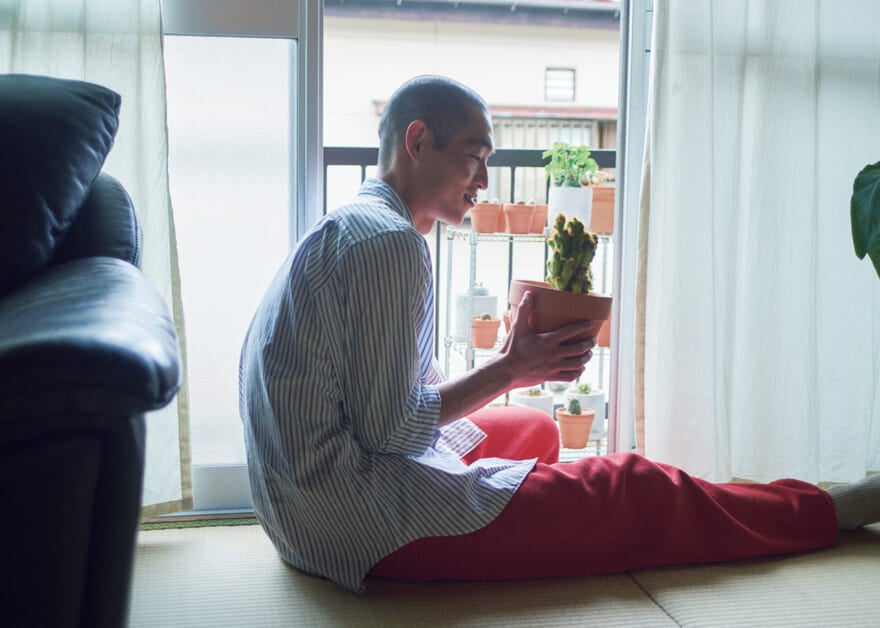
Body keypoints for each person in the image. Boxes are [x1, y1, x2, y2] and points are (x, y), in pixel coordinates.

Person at [239, 75, 880, 593]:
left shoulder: (355, 223)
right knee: (636, 489)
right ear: (417, 140)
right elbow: (388, 430)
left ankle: (538, 515)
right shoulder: (389, 246)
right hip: (353, 518)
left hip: (299, 506)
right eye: (474, 157)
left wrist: (506, 363)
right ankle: (828, 511)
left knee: (539, 431)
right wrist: (510, 372)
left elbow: (379, 400)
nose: (485, 181)